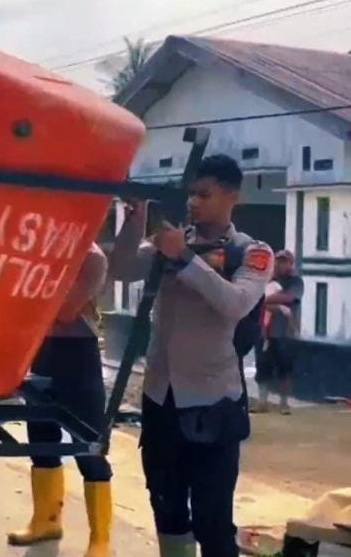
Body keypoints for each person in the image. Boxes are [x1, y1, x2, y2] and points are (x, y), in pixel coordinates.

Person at [109, 154, 273, 557]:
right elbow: (123, 267)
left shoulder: (251, 253)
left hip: (213, 404)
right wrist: (136, 217)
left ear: (232, 196)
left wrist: (185, 258)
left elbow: (235, 303)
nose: (194, 203)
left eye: (205, 194)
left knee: (212, 519)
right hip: (160, 399)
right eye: (191, 194)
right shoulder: (169, 241)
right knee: (166, 510)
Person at [7, 242, 113, 557]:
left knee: (89, 445)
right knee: (41, 439)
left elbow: (66, 311)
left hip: (78, 354)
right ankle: (46, 520)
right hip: (42, 349)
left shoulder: (92, 258)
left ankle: (100, 539)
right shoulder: (41, 251)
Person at [254, 250, 303, 415]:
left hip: (285, 333)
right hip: (264, 331)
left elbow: (289, 298)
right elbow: (256, 300)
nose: (280, 264)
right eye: (278, 261)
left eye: (284, 261)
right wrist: (277, 305)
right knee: (262, 366)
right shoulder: (267, 279)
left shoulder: (296, 281)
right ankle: (262, 402)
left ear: (291, 264)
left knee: (285, 368)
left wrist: (267, 300)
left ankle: (284, 403)